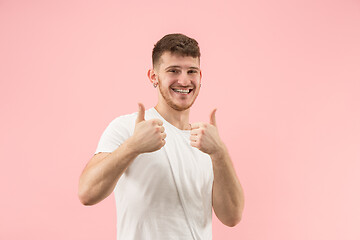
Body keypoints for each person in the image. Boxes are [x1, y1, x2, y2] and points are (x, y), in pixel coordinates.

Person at [78, 33, 245, 240]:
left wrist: (219, 152)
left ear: (200, 77)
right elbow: (86, 193)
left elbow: (232, 217)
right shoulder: (129, 127)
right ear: (153, 76)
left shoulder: (206, 142)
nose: (184, 80)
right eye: (173, 70)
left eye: (191, 71)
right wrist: (133, 146)